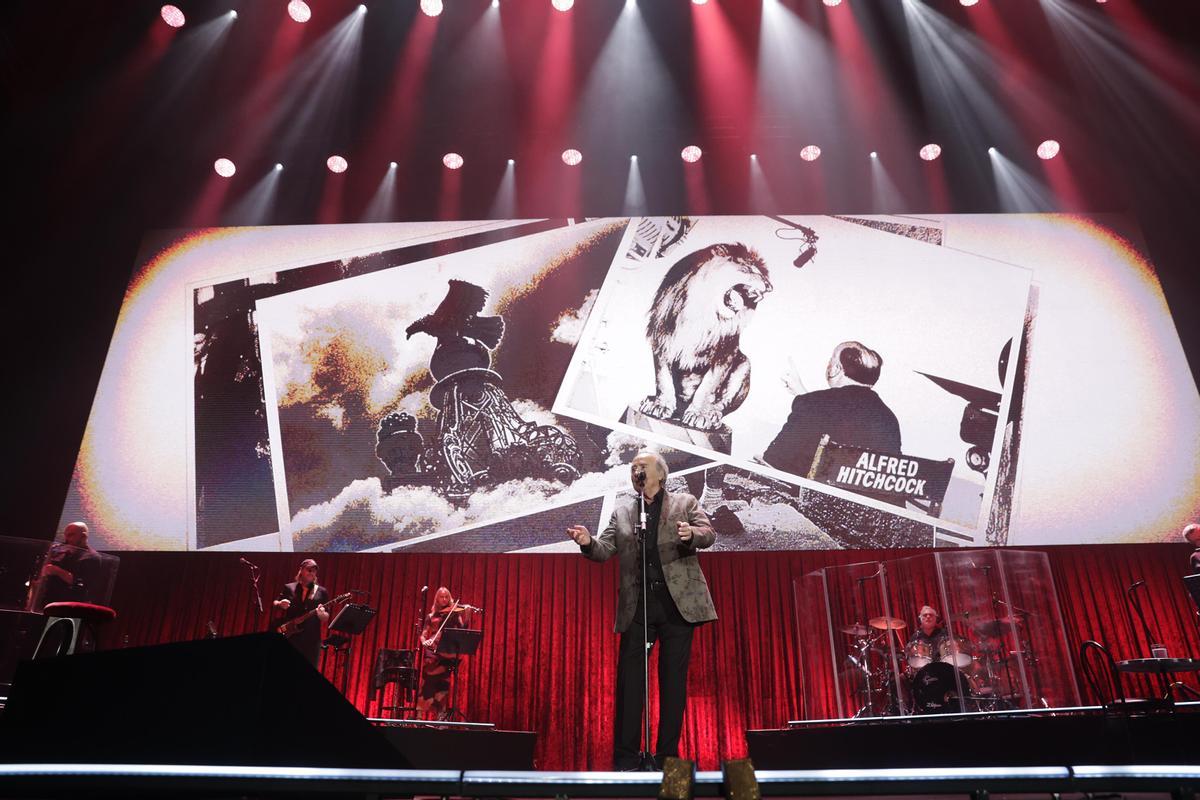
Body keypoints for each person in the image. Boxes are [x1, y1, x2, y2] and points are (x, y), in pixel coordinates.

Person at [567, 450, 717, 771]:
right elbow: (604, 549)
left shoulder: (684, 503)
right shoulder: (623, 513)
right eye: (633, 466)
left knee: (672, 682)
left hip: (678, 606)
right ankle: (626, 758)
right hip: (639, 607)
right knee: (631, 683)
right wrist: (587, 542)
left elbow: (709, 533)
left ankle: (666, 759)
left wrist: (692, 535)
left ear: (660, 475)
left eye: (643, 466)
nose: (637, 469)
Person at [761, 341, 902, 478]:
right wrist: (804, 396)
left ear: (836, 369)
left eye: (831, 360)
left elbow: (774, 461)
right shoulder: (889, 419)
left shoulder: (814, 404)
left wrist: (806, 400)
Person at [417, 586, 476, 718]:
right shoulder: (431, 616)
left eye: (446, 597)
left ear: (449, 599)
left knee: (443, 684)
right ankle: (419, 716)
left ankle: (440, 715)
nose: (444, 599)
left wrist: (466, 616)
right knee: (428, 683)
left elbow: (462, 630)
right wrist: (424, 642)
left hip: (446, 651)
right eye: (441, 597)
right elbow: (424, 634)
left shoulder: (454, 614)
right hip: (432, 651)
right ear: (436, 599)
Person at [272, 558, 329, 668]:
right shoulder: (289, 587)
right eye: (309, 569)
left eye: (314, 570)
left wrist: (321, 614)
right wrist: (280, 604)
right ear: (301, 570)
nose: (312, 573)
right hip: (291, 634)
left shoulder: (321, 591)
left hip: (312, 638)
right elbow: (275, 602)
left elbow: (326, 617)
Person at [36, 521, 102, 607]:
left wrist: (57, 571)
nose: (66, 539)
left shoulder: (92, 557)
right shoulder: (61, 551)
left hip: (70, 606)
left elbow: (82, 584)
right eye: (65, 535)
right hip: (48, 601)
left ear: (83, 536)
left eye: (71, 535)